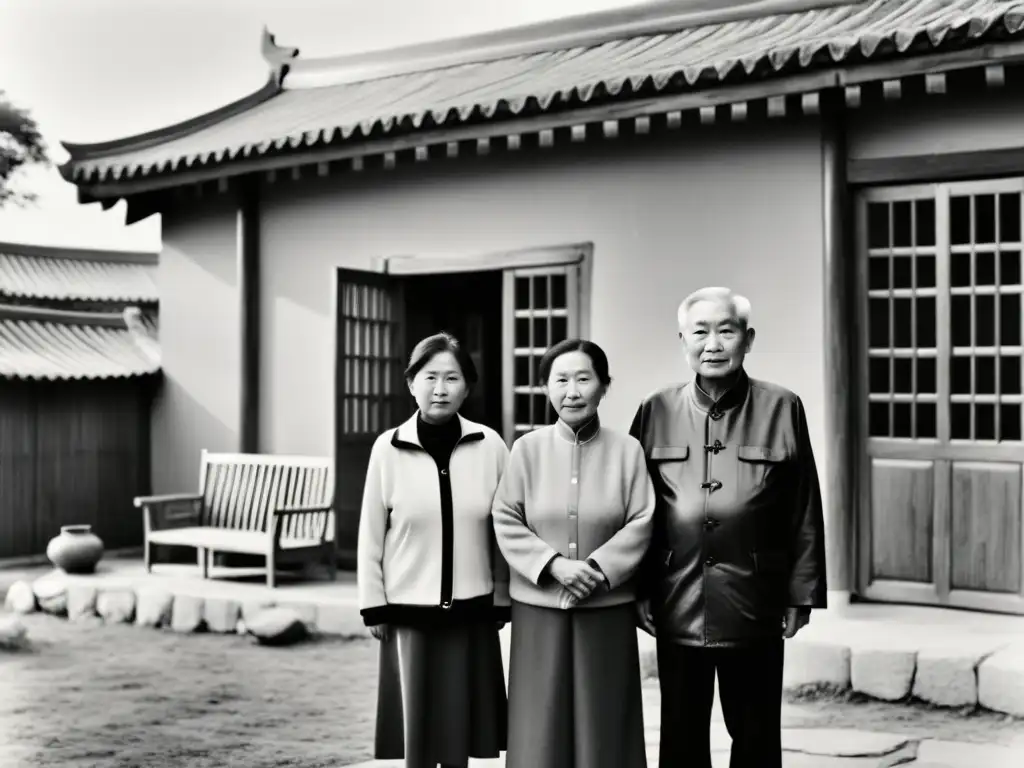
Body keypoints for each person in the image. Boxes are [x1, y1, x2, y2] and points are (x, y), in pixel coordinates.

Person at [629, 287, 827, 768]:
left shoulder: (783, 407)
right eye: (700, 332)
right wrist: (637, 588)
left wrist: (801, 595)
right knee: (680, 733)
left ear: (748, 339)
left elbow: (804, 507)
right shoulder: (655, 411)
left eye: (726, 330)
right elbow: (633, 511)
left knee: (756, 733)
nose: (712, 343)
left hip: (755, 598)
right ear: (683, 340)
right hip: (677, 598)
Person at [492, 338, 655, 768]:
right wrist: (554, 566)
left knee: (605, 726)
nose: (572, 391)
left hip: (607, 609)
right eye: (560, 380)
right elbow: (505, 516)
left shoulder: (628, 451)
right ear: (546, 387)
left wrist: (597, 570)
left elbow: (642, 519)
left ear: (604, 385)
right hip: (538, 609)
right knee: (539, 725)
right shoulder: (526, 449)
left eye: (584, 379)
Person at [357, 332, 511, 768]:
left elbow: (505, 528)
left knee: (461, 734)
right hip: (409, 610)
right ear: (411, 383)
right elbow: (370, 531)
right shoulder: (387, 448)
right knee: (418, 739)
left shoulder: (490, 445)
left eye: (452, 378)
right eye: (429, 377)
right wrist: (374, 604)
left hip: (472, 608)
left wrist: (501, 597)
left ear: (467, 386)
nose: (440, 388)